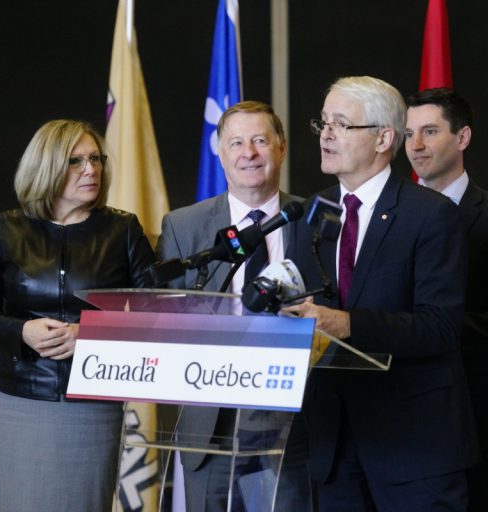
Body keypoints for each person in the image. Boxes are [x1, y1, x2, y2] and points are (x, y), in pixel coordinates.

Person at [283, 76, 478, 511]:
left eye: (341, 124)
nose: (326, 134)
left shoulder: (431, 216)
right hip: (334, 444)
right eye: (323, 123)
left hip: (414, 446)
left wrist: (345, 324)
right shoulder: (310, 215)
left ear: (383, 138)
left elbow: (440, 327)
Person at [0, 119, 156, 511]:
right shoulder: (9, 228)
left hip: (92, 402)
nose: (92, 169)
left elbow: (158, 316)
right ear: (47, 166)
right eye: (76, 161)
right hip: (18, 399)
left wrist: (90, 333)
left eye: (96, 159)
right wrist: (23, 331)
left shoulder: (122, 230)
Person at [156, 100, 310, 512]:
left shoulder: (313, 221)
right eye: (236, 143)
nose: (249, 153)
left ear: (281, 148)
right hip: (213, 426)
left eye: (260, 140)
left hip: (296, 427)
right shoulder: (183, 227)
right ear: (220, 153)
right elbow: (164, 321)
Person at [405, 87, 488, 512]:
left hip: (469, 418)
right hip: (398, 420)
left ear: (462, 138)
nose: (416, 146)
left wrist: (429, 332)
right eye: (408, 134)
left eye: (429, 131)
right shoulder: (393, 214)